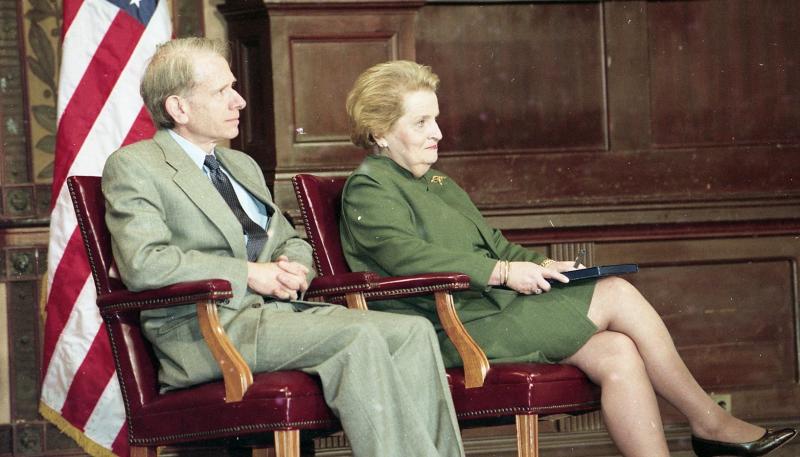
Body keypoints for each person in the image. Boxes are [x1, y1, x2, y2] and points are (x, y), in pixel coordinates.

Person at [339, 60, 797, 457]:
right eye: (421, 123)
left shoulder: (436, 183)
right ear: (380, 131)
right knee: (615, 294)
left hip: (487, 311)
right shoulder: (371, 186)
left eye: (435, 119)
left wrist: (542, 265)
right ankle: (709, 423)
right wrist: (502, 273)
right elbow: (408, 257)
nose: (437, 133)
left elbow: (495, 245)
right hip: (448, 328)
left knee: (617, 352)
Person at [102, 39, 465, 457]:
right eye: (221, 91)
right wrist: (252, 274)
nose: (238, 100)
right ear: (179, 108)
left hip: (277, 318)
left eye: (234, 87)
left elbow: (288, 238)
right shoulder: (135, 166)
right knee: (359, 335)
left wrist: (294, 266)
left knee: (413, 332)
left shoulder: (241, 165)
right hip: (208, 329)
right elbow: (144, 263)